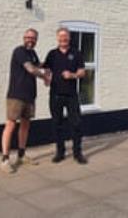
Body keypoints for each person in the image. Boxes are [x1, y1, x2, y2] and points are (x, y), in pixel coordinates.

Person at [0, 28, 50, 174]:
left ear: (36, 40)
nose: (30, 40)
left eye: (33, 38)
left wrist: (49, 64)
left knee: (25, 126)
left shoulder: (32, 53)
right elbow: (30, 69)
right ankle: (4, 159)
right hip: (16, 95)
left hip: (29, 96)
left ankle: (21, 155)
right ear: (24, 38)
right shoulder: (19, 51)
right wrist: (45, 77)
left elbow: (36, 65)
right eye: (28, 37)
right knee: (10, 125)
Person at [44, 27, 88, 164]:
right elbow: (47, 68)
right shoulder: (52, 53)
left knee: (76, 124)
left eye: (66, 36)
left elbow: (82, 72)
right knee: (57, 124)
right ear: (57, 38)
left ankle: (77, 153)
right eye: (61, 36)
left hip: (71, 95)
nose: (63, 39)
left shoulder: (76, 53)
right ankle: (60, 152)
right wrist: (46, 78)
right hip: (55, 94)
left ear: (69, 38)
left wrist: (73, 75)